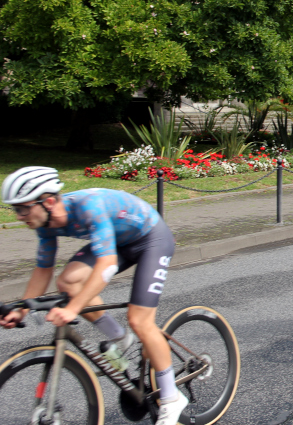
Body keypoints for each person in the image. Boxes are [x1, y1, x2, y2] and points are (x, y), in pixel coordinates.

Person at [1, 167, 188, 425]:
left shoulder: (89, 207)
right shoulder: (45, 223)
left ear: (49, 201)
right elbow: (43, 269)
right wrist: (21, 309)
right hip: (119, 241)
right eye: (15, 209)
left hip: (151, 240)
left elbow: (107, 264)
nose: (19, 216)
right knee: (67, 280)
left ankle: (171, 397)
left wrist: (73, 308)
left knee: (139, 320)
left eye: (23, 208)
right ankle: (119, 337)